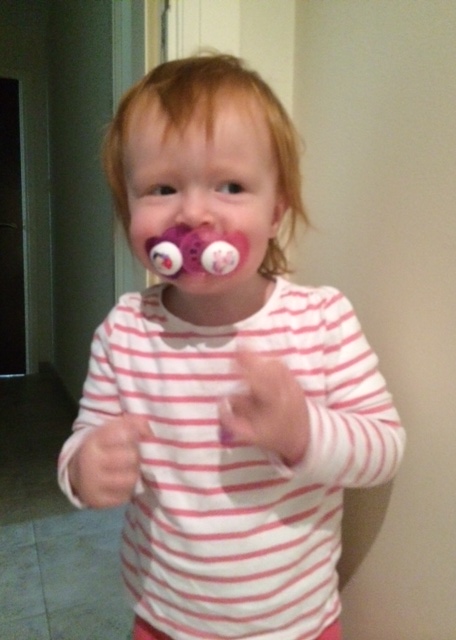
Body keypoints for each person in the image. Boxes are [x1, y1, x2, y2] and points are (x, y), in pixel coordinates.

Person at [58, 53, 405, 640]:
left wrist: (302, 433)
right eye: (162, 188)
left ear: (275, 212)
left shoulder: (321, 321)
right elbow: (84, 437)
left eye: (231, 186)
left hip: (296, 623)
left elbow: (385, 449)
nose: (194, 212)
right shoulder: (125, 331)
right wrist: (84, 467)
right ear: (129, 210)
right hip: (164, 619)